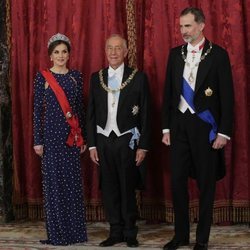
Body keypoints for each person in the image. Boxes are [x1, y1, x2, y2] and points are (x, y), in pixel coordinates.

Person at [161, 7, 234, 250]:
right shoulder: (175, 55)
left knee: (206, 183)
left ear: (201, 25)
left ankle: (202, 238)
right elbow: (169, 94)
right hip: (179, 125)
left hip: (205, 127)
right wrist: (166, 129)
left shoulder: (218, 55)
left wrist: (223, 132)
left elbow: (227, 97)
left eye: (188, 26)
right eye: (181, 26)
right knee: (178, 182)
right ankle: (180, 235)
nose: (184, 31)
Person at [86, 34, 150, 248]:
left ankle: (130, 231)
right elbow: (91, 113)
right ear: (105, 51)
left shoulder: (138, 77)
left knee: (127, 186)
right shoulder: (97, 77)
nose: (113, 52)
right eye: (109, 48)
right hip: (103, 140)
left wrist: (143, 146)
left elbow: (146, 115)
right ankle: (115, 231)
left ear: (125, 52)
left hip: (127, 140)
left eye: (118, 48)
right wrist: (93, 144)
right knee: (110, 187)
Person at [33, 33, 87, 246]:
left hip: (71, 138)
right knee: (54, 186)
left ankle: (75, 233)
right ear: (50, 55)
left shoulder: (76, 76)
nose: (61, 56)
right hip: (51, 139)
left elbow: (80, 110)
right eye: (57, 52)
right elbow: (37, 111)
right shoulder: (42, 78)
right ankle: (57, 234)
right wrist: (38, 140)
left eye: (64, 51)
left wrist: (82, 138)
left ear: (69, 54)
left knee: (72, 185)